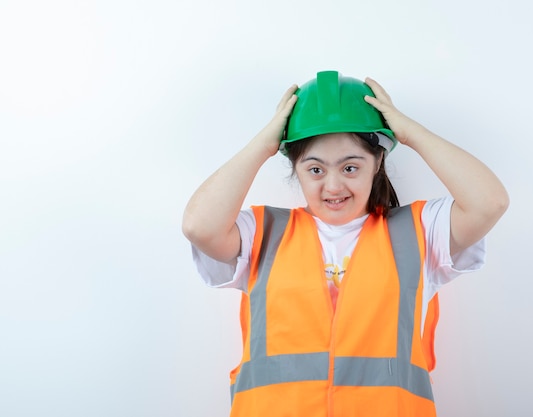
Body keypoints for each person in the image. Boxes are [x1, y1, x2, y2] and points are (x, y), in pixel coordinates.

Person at [182, 70, 509, 417]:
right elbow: (198, 226)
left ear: (378, 161)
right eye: (316, 169)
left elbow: (489, 202)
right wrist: (264, 145)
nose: (333, 186)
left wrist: (410, 133)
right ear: (296, 167)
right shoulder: (262, 231)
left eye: (350, 168)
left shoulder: (419, 232)